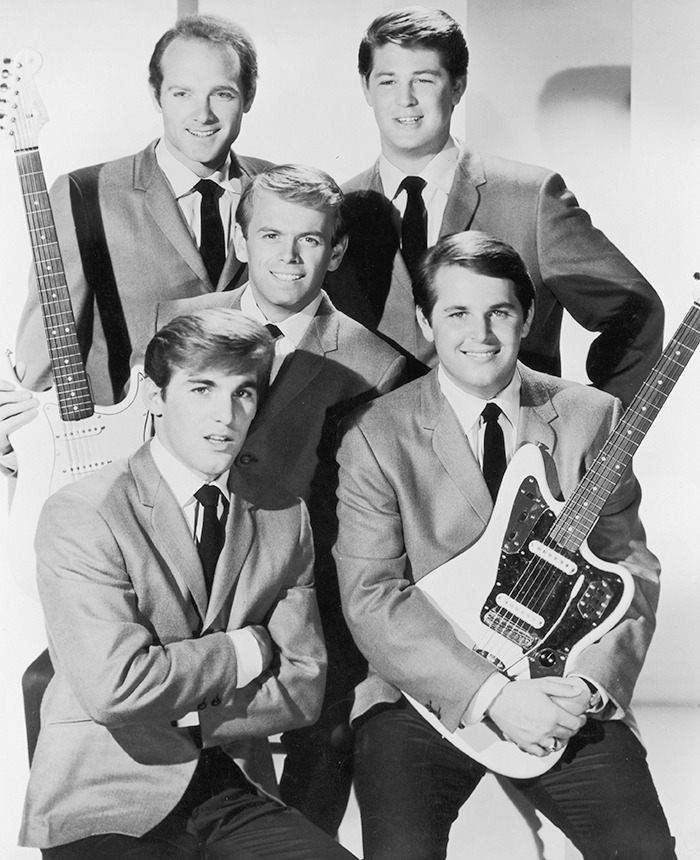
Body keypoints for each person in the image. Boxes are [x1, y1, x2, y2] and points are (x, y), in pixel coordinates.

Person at [333, 231, 676, 859]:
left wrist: (585, 688)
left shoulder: (589, 415)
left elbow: (629, 569)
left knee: (644, 850)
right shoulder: (375, 434)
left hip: (559, 685)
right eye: (457, 313)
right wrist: (492, 694)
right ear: (425, 323)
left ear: (527, 316)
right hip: (422, 694)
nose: (481, 334)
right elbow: (372, 596)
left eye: (500, 311)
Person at [19, 308, 357, 860]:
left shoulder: (282, 514)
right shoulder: (84, 513)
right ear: (155, 396)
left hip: (227, 781)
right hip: (106, 790)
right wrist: (244, 650)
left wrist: (190, 711)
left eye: (243, 394)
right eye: (201, 389)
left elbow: (304, 682)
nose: (224, 415)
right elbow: (116, 688)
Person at [156, 163, 406, 837]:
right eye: (270, 235)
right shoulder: (177, 323)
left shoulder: (378, 367)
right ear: (240, 241)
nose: (289, 258)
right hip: (176, 579)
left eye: (310, 241)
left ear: (338, 251)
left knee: (326, 727)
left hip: (302, 594)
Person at [326, 6, 664, 408]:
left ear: (457, 87)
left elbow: (637, 312)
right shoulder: (336, 212)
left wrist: (590, 425)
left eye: (424, 79)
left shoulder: (530, 198)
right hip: (382, 464)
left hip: (512, 461)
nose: (406, 99)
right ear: (366, 88)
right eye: (388, 81)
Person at [0, 13, 273, 472]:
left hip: (252, 466)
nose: (202, 115)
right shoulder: (86, 194)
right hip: (127, 465)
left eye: (221, 93)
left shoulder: (275, 189)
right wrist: (16, 442)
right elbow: (40, 358)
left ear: (247, 97)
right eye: (181, 93)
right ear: (156, 95)